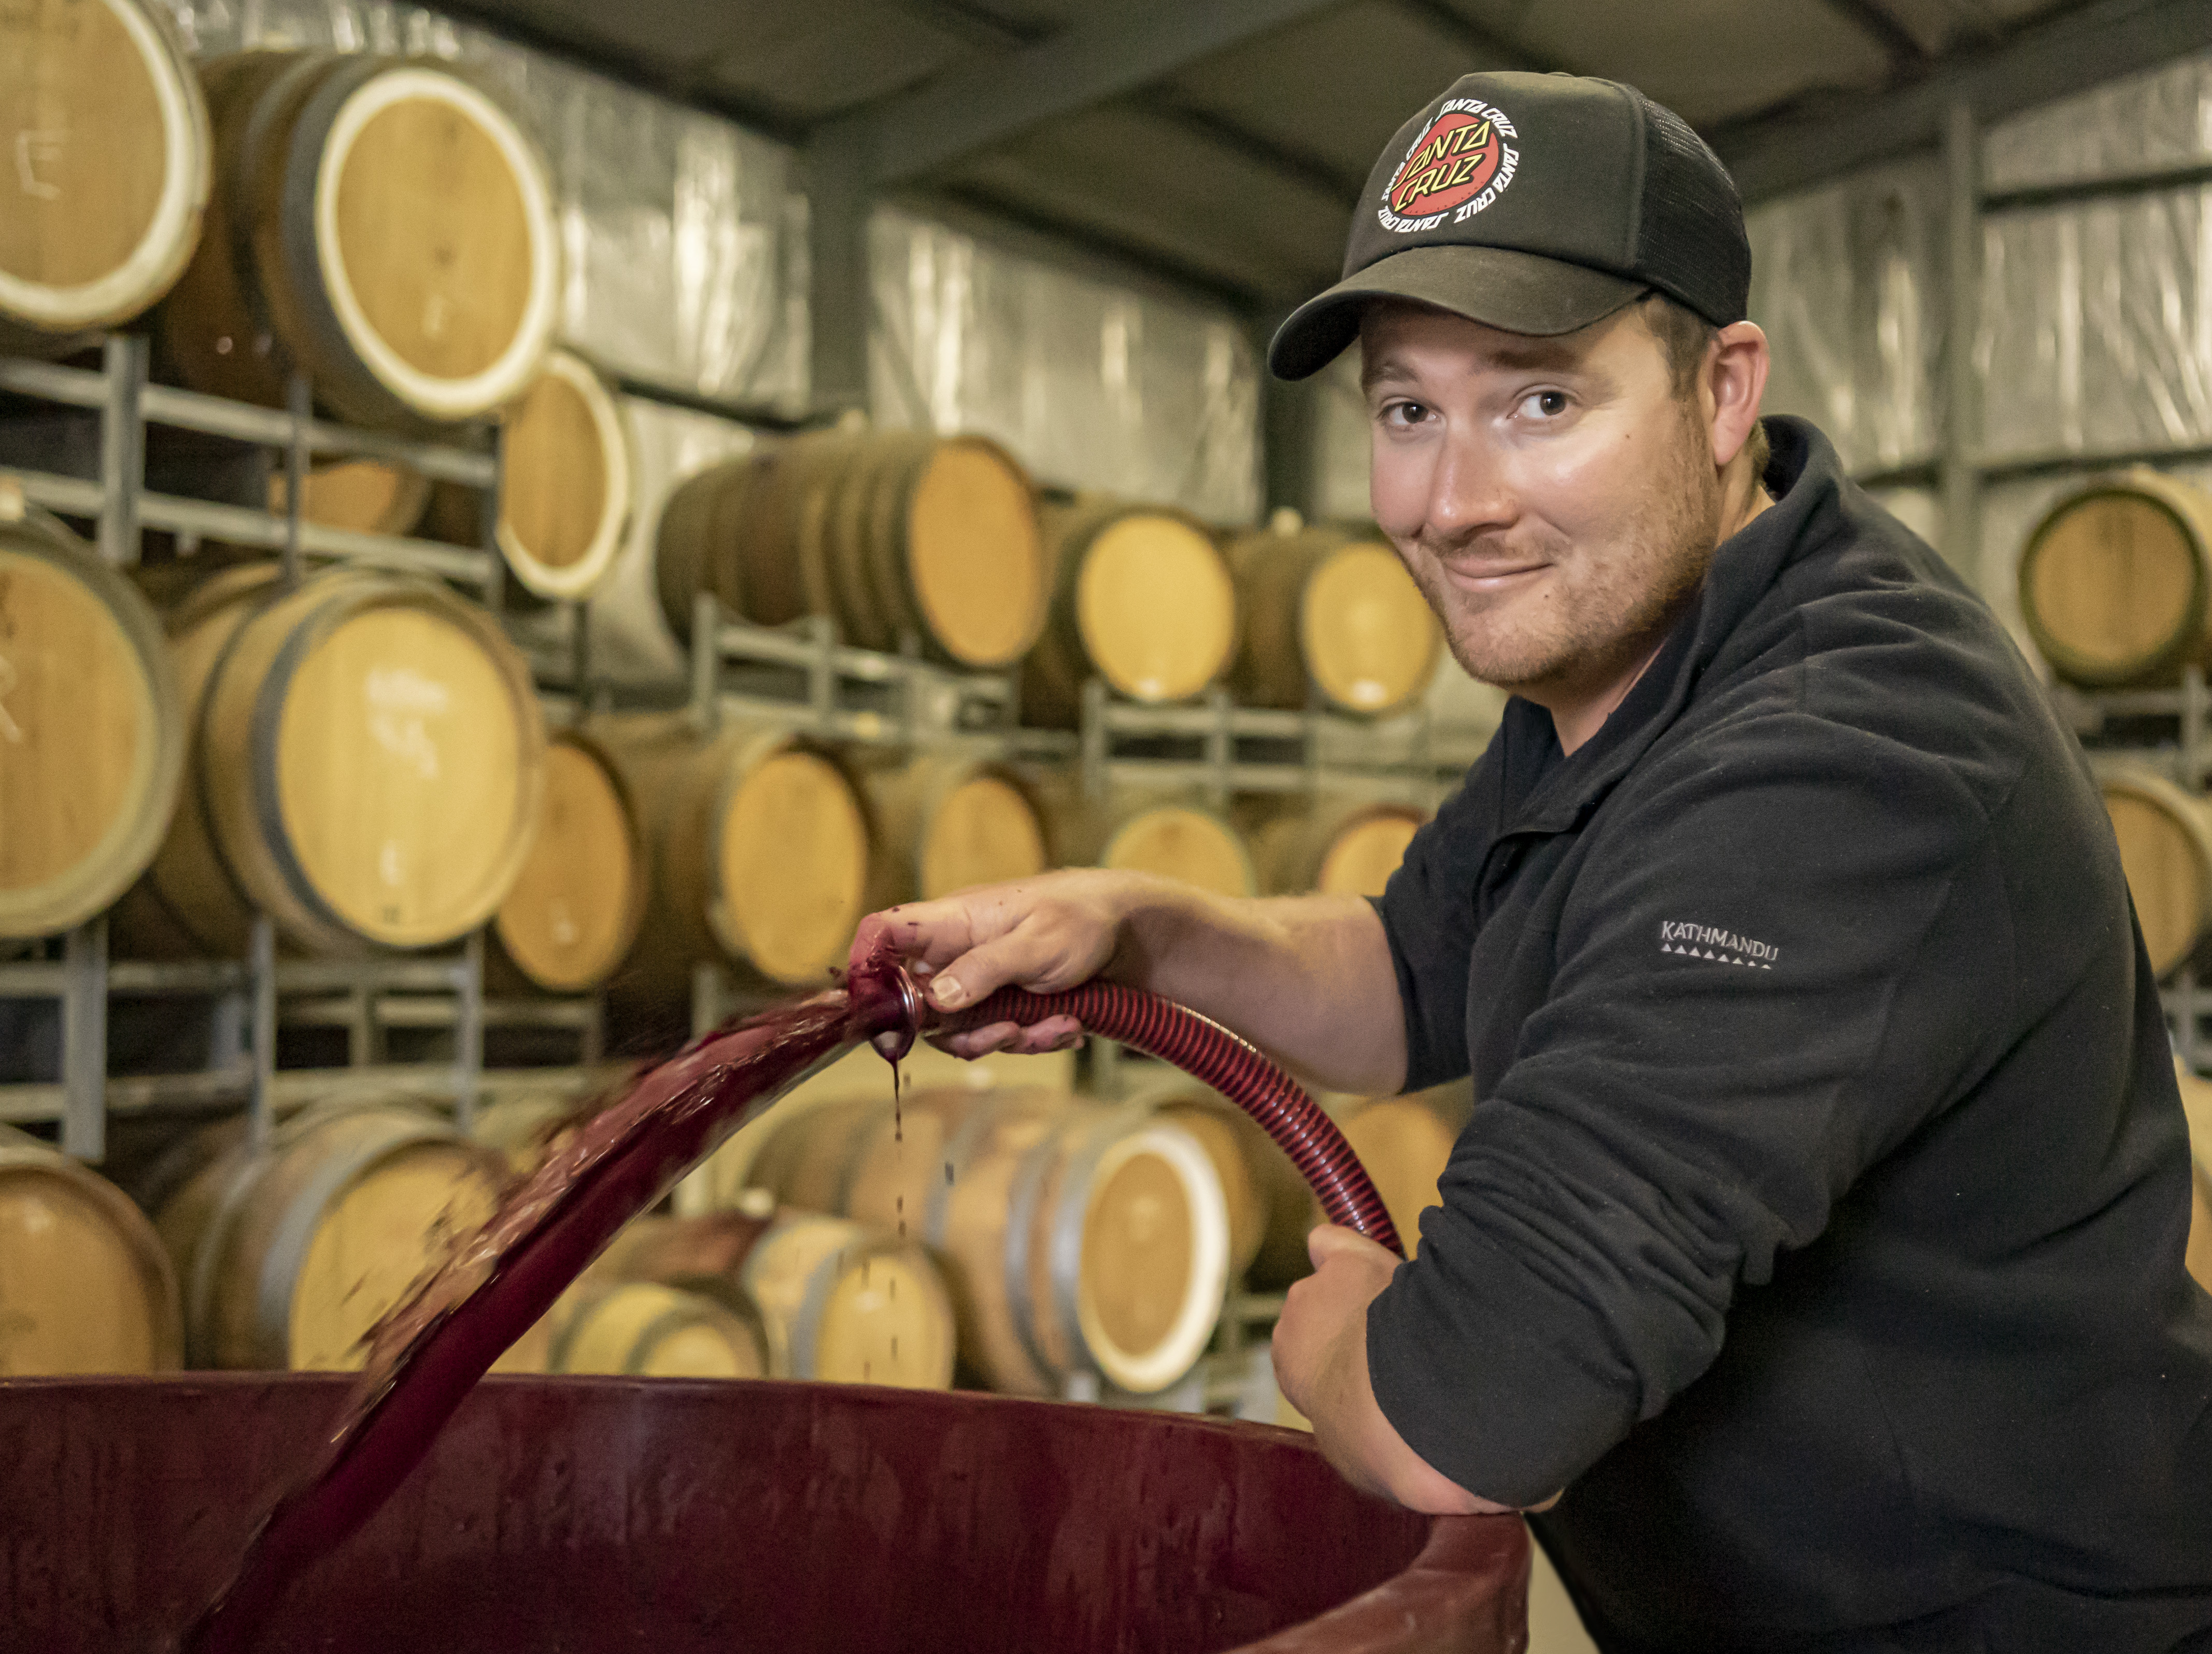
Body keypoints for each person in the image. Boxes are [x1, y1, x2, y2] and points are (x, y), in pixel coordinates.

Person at [849, 70, 2212, 1651]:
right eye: (1406, 410)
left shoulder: (1842, 756)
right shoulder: (1636, 663)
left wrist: (1342, 1348)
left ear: (1720, 394)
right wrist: (1133, 928)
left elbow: (1462, 1417)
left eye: (1540, 401)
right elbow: (1410, 973)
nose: (1454, 503)